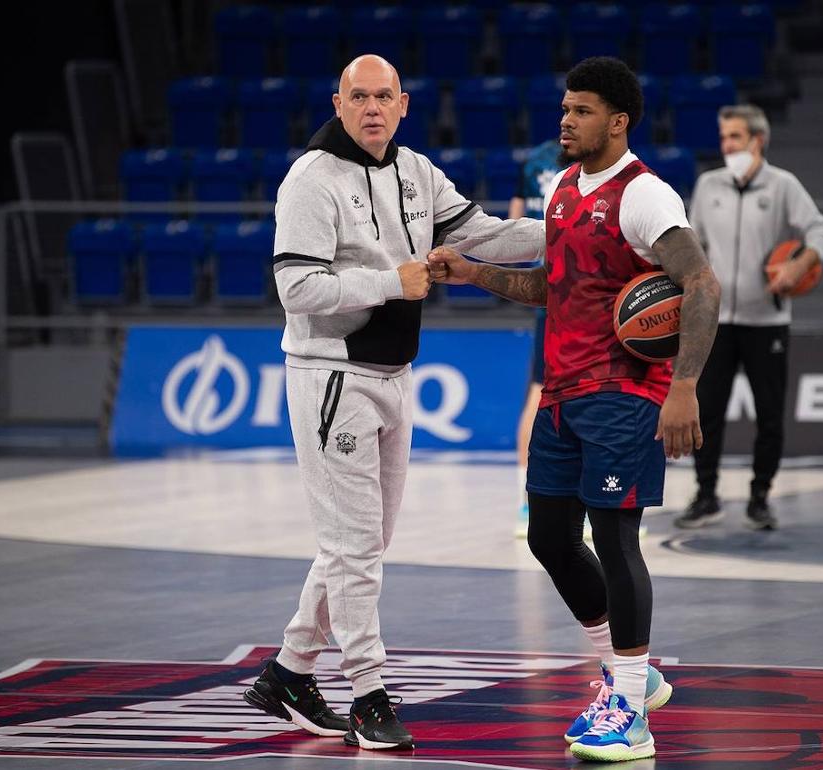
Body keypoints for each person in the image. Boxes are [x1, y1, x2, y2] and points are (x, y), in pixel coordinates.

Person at [242, 54, 545, 752]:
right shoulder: (311, 180)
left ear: (403, 104)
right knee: (353, 549)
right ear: (339, 102)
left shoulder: (416, 171)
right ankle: (369, 695)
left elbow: (484, 233)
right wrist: (387, 281)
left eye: (385, 96)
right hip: (331, 378)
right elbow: (297, 290)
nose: (373, 107)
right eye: (360, 97)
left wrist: (578, 229)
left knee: (363, 544)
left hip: (392, 374)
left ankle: (290, 671)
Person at [429, 57, 720, 763]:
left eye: (582, 110)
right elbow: (552, 289)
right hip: (562, 393)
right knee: (550, 540)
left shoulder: (645, 196)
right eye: (565, 107)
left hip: (624, 397)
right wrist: (474, 274)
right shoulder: (561, 190)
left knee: (617, 542)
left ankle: (630, 709)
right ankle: (633, 676)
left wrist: (684, 387)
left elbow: (702, 283)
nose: (566, 119)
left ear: (618, 122)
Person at [673, 104, 823, 532]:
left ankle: (760, 497)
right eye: (724, 137)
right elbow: (692, 245)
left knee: (769, 413)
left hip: (768, 322)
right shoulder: (708, 186)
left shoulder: (783, 186)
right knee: (706, 411)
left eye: (735, 138)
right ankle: (705, 495)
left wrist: (799, 265)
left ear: (757, 141)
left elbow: (821, 231)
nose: (727, 145)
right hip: (715, 320)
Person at [508, 139, 561, 538]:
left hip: (549, 291)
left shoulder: (533, 161)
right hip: (570, 295)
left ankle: (527, 499)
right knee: (545, 393)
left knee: (539, 392)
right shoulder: (591, 161)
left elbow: (513, 227)